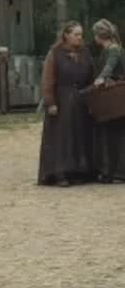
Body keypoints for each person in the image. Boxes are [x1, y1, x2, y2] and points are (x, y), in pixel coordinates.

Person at [37, 21, 96, 187]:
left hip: (81, 100)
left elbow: (91, 76)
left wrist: (91, 95)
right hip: (61, 100)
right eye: (76, 34)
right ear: (66, 35)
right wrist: (50, 102)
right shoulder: (55, 53)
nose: (80, 37)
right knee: (62, 138)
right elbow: (48, 79)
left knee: (79, 136)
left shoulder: (85, 52)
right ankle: (60, 173)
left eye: (81, 34)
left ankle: (77, 171)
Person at [90, 19, 125, 183]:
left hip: (114, 97)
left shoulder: (114, 49)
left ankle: (116, 172)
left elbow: (109, 67)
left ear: (99, 35)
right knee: (114, 134)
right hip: (115, 97)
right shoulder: (114, 48)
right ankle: (112, 171)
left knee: (114, 135)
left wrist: (101, 78)